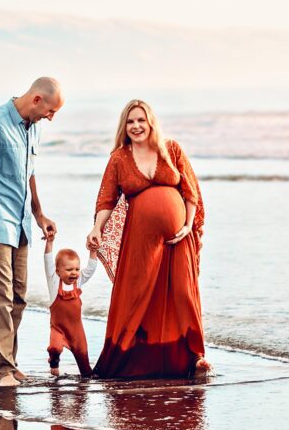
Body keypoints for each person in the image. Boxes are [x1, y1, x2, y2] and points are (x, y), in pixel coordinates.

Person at [86, 99, 210, 378]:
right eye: (130, 121)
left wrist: (188, 225)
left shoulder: (172, 149)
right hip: (140, 240)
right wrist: (96, 228)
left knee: (183, 294)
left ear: (151, 122)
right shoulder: (119, 158)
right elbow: (106, 199)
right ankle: (130, 357)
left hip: (179, 240)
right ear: (124, 126)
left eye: (141, 120)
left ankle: (194, 357)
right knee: (136, 295)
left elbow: (190, 191)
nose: (136, 126)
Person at [0, 78, 64, 387]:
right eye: (50, 111)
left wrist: (38, 213)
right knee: (1, 298)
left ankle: (9, 362)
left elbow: (29, 173)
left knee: (19, 296)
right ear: (37, 99)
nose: (51, 118)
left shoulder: (31, 127)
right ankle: (3, 369)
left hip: (21, 224)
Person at [43, 238, 97, 377]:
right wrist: (49, 243)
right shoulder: (54, 282)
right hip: (58, 329)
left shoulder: (78, 282)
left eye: (77, 269)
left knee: (84, 361)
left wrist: (93, 252)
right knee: (55, 348)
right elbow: (48, 263)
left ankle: (85, 382)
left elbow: (90, 269)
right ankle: (54, 362)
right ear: (58, 271)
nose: (74, 273)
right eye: (69, 269)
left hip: (77, 331)